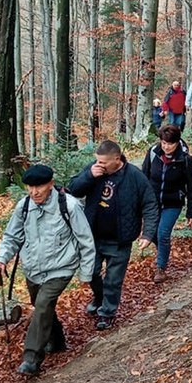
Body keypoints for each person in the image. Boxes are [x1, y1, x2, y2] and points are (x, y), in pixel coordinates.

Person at [0, 165, 96, 375]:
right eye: (30, 187)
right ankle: (57, 341)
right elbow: (12, 236)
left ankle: (31, 358)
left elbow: (86, 240)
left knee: (42, 305)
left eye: (39, 186)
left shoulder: (69, 205)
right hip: (33, 269)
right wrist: (1, 259)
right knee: (41, 305)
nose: (34, 192)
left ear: (50, 184)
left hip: (61, 267)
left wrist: (86, 273)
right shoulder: (23, 206)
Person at [67, 140, 159, 330]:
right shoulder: (93, 170)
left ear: (117, 159)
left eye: (104, 162)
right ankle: (100, 298)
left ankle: (107, 313)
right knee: (90, 272)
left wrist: (147, 234)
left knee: (113, 279)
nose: (99, 165)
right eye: (97, 161)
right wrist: (89, 176)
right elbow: (73, 189)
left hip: (120, 238)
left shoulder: (135, 176)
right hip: (92, 236)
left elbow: (150, 204)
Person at [141, 125, 192, 283]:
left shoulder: (185, 160)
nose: (166, 147)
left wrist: (191, 212)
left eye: (170, 144)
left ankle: (161, 268)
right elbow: (143, 177)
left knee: (163, 233)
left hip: (173, 203)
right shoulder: (153, 153)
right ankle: (163, 252)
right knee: (151, 233)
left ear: (177, 142)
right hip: (152, 202)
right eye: (164, 143)